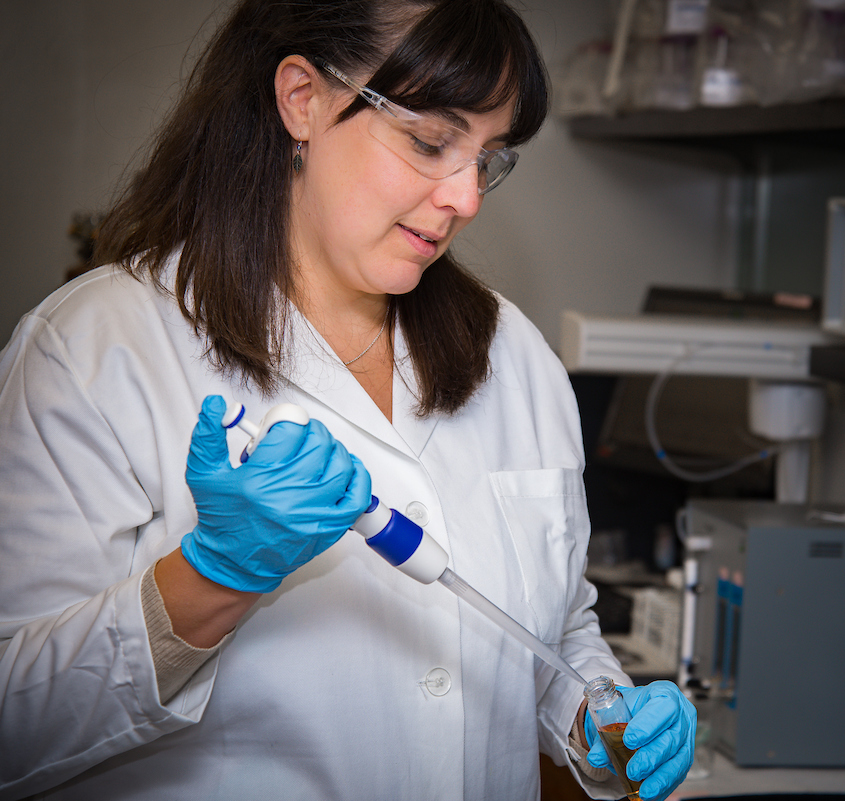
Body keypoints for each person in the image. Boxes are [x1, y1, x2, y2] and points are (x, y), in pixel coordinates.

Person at [0, 1, 695, 798]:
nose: (467, 197)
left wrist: (595, 723)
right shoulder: (97, 349)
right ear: (302, 99)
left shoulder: (514, 355)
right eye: (431, 141)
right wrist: (208, 583)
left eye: (490, 158)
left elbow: (555, 627)